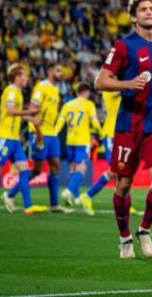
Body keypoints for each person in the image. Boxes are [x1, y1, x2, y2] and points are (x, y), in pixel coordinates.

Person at [94, 0, 152, 259]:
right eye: (143, 9)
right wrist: (127, 84)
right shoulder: (124, 46)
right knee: (123, 186)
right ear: (133, 17)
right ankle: (124, 238)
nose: (149, 12)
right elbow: (100, 81)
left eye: (151, 8)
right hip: (128, 127)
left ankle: (144, 229)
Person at [0, 64, 47, 216]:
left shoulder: (19, 93)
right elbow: (9, 111)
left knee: (25, 170)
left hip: (14, 139)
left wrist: (32, 119)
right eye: (25, 75)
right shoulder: (10, 91)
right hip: (4, 136)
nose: (27, 78)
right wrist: (29, 111)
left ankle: (28, 206)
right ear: (17, 77)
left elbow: (17, 114)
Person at [7, 64, 67, 213]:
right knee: (37, 170)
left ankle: (54, 204)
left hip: (52, 133)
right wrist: (38, 131)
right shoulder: (41, 87)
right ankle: (9, 194)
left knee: (55, 165)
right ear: (50, 71)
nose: (61, 74)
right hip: (40, 132)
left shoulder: (55, 89)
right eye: (58, 70)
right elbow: (33, 109)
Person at [55, 83, 103, 216]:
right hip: (82, 141)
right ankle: (68, 191)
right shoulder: (88, 105)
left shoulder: (67, 105)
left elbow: (60, 122)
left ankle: (75, 197)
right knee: (82, 168)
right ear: (86, 92)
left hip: (69, 141)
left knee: (73, 168)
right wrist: (100, 132)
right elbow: (94, 122)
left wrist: (54, 134)